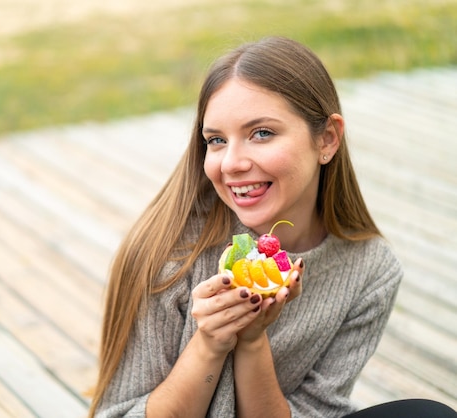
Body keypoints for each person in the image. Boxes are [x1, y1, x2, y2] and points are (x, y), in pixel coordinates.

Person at [88, 36, 457, 418]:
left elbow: (314, 411)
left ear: (327, 139)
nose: (231, 163)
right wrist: (211, 342)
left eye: (261, 133)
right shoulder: (171, 252)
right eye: (216, 140)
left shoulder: (369, 270)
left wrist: (251, 341)